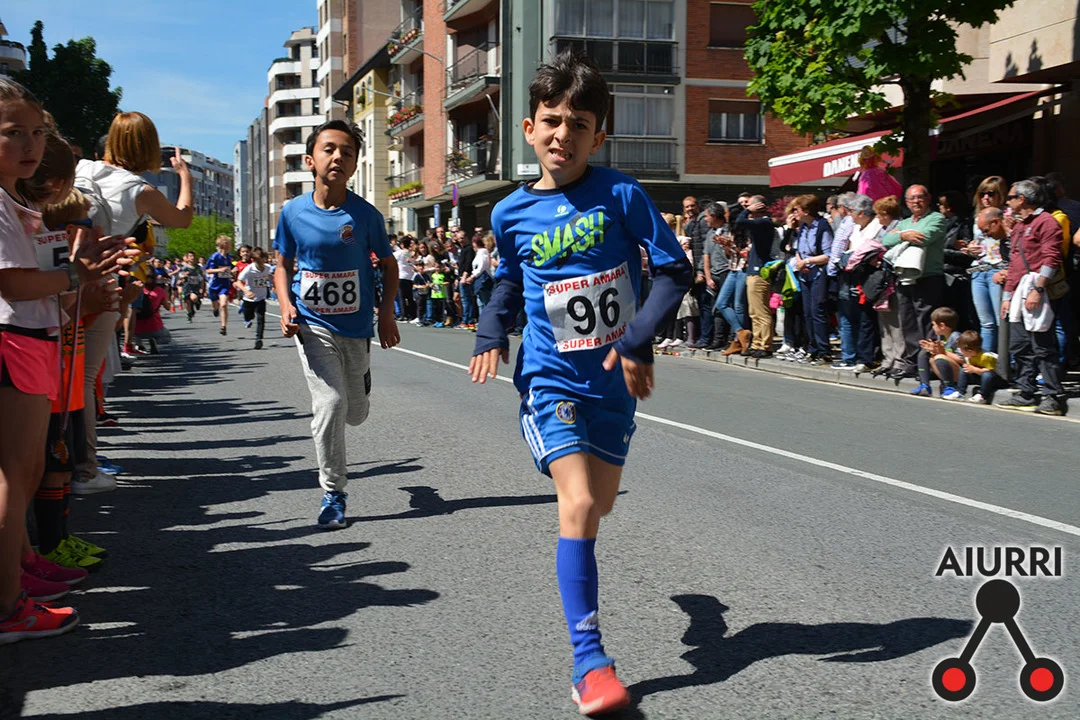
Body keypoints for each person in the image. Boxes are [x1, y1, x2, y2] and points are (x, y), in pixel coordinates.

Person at [468, 50, 692, 715]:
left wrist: (637, 337)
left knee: (600, 506)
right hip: (550, 377)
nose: (563, 134)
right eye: (552, 120)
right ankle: (589, 660)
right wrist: (490, 333)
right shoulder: (510, 213)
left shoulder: (621, 194)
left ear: (599, 136)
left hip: (614, 384)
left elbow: (673, 270)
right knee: (579, 504)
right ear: (529, 129)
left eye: (579, 124)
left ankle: (661, 622)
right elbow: (509, 281)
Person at [0, 77, 134, 644]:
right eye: (14, 132)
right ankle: (7, 604)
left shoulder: (12, 200)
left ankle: (19, 569)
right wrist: (78, 274)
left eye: (37, 132)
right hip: (14, 339)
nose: (30, 144)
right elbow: (12, 282)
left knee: (26, 472)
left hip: (31, 337)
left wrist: (84, 275)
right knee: (15, 477)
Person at [273, 119, 399, 529]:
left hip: (357, 326)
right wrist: (286, 305)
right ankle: (333, 492)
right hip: (312, 324)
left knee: (355, 413)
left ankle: (360, 383)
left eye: (347, 151)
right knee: (329, 404)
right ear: (310, 160)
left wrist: (386, 313)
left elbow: (390, 265)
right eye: (329, 149)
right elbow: (282, 265)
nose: (338, 157)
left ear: (355, 164)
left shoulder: (366, 215)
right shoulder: (292, 213)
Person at [997, 179, 1067, 416]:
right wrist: (1007, 296)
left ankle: (1053, 396)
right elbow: (1015, 263)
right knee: (1020, 346)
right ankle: (1026, 392)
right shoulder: (1020, 226)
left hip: (1037, 293)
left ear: (1022, 199)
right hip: (1019, 294)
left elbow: (1051, 258)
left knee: (1043, 346)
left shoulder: (1046, 222)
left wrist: (1038, 289)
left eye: (1010, 197)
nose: (1007, 202)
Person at [882, 185, 947, 378]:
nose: (916, 202)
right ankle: (914, 363)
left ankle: (930, 363)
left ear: (928, 199)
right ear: (906, 202)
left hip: (928, 276)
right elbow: (885, 241)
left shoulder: (936, 218)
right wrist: (903, 235)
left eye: (920, 197)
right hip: (904, 276)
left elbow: (924, 237)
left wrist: (900, 236)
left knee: (926, 321)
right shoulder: (904, 223)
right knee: (908, 321)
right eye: (912, 199)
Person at [964, 177, 1009, 352]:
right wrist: (970, 248)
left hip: (998, 269)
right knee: (986, 322)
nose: (986, 198)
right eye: (982, 193)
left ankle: (1007, 361)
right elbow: (980, 243)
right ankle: (988, 359)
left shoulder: (1007, 215)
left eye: (991, 193)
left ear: (1001, 194)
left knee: (1001, 320)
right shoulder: (978, 217)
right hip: (978, 269)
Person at [792, 194, 833, 364]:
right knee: (807, 313)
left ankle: (824, 350)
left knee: (817, 312)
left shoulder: (822, 226)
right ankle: (812, 348)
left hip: (818, 273)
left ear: (806, 211)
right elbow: (798, 248)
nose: (795, 213)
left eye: (797, 210)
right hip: (805, 274)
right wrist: (800, 261)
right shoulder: (803, 227)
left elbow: (828, 254)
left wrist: (807, 261)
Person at [738, 195, 779, 357]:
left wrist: (747, 211)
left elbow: (740, 222)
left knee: (761, 311)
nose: (746, 208)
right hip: (752, 271)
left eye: (749, 205)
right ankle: (756, 343)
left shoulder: (764, 222)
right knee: (753, 312)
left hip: (760, 272)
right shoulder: (758, 223)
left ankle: (765, 345)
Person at [909, 307, 962, 398]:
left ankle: (949, 388)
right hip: (944, 369)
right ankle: (924, 385)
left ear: (942, 326)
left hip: (959, 373)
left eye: (933, 324)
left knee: (939, 357)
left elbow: (962, 359)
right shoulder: (940, 337)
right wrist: (932, 349)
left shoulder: (956, 337)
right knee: (924, 353)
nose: (932, 327)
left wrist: (942, 352)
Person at [236, 246, 274, 349]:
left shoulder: (267, 268)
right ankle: (246, 315)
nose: (261, 263)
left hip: (261, 298)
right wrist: (247, 291)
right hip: (249, 299)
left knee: (261, 318)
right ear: (253, 260)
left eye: (263, 260)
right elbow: (238, 282)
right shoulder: (249, 269)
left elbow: (270, 276)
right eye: (259, 261)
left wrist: (273, 284)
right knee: (249, 317)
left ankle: (259, 339)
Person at [955, 330, 1006, 404]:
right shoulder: (968, 357)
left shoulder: (986, 357)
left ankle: (983, 396)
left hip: (997, 379)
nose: (960, 352)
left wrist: (974, 369)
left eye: (961, 350)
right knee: (964, 371)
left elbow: (991, 373)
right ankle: (960, 393)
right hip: (981, 377)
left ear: (970, 351)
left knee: (987, 375)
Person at [205, 236, 233, 336]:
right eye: (229, 244)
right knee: (215, 304)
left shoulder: (229, 257)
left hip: (224, 284)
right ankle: (215, 309)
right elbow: (208, 270)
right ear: (224, 245)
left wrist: (232, 272)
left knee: (224, 304)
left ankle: (223, 326)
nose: (231, 246)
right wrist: (219, 270)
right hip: (214, 284)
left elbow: (231, 268)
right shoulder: (215, 257)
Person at [178, 251, 206, 321]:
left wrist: (202, 288)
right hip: (187, 287)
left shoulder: (198, 268)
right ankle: (190, 313)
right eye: (190, 256)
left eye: (193, 256)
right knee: (187, 302)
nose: (192, 258)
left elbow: (202, 278)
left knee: (193, 298)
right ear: (187, 258)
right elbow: (180, 276)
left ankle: (197, 302)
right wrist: (183, 276)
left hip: (195, 287)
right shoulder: (184, 268)